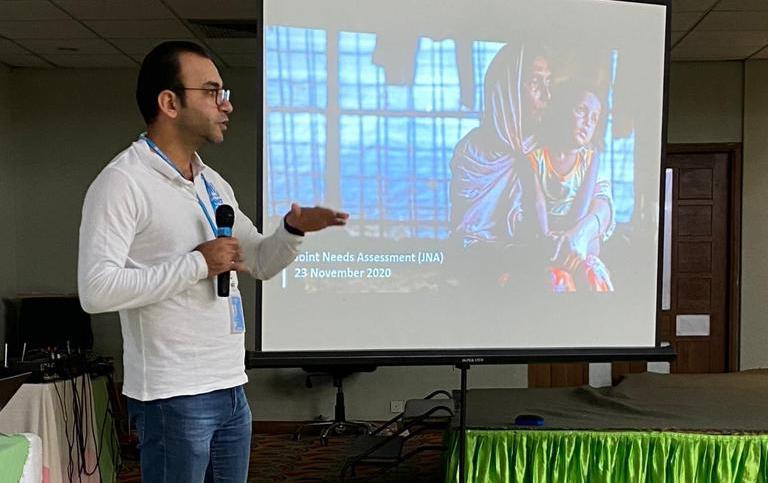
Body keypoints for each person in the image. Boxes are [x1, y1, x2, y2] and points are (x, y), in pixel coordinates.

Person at [77, 41, 348, 482]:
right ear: (169, 102)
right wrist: (198, 265)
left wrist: (293, 230)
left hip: (230, 385)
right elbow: (96, 290)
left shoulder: (211, 182)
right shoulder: (122, 183)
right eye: (211, 91)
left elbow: (258, 260)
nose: (227, 105)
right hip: (172, 394)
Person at [449, 42, 552, 248]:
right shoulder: (471, 154)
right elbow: (466, 239)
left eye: (548, 82)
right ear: (508, 89)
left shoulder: (547, 145)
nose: (547, 95)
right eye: (534, 82)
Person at [526, 81, 615, 291]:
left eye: (594, 119)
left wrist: (572, 235)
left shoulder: (591, 159)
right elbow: (536, 202)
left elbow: (584, 203)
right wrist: (547, 236)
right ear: (561, 112)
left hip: (577, 242)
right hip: (549, 242)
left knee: (595, 276)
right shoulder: (535, 157)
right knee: (557, 281)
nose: (587, 123)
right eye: (581, 111)